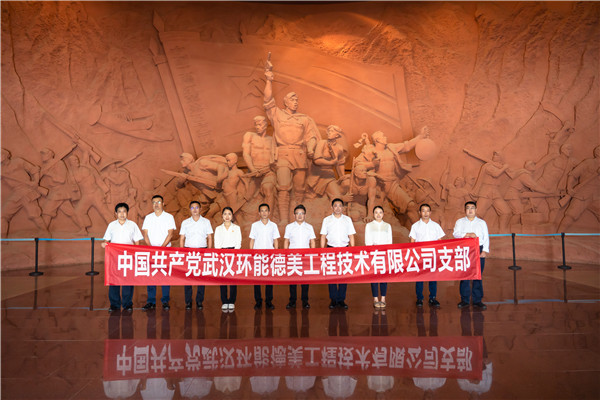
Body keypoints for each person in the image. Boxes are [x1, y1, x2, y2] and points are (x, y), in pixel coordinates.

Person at [102, 202, 143, 312]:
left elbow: (137, 241)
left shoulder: (133, 225)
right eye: (119, 211)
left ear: (127, 213)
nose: (122, 214)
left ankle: (127, 304)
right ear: (116, 213)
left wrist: (136, 254)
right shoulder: (111, 225)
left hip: (128, 257)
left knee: (128, 281)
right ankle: (114, 304)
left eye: (124, 211)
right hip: (114, 257)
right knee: (114, 280)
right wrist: (104, 244)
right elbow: (106, 240)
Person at [141, 194, 176, 310]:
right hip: (151, 251)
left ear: (163, 203)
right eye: (154, 202)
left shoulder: (169, 217)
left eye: (159, 202)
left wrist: (162, 248)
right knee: (151, 276)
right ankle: (151, 301)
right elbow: (145, 234)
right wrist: (151, 248)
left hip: (165, 251)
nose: (156, 204)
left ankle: (165, 301)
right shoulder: (148, 218)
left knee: (165, 276)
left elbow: (170, 234)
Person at [320, 198, 356, 310]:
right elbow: (323, 236)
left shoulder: (347, 220)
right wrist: (322, 251)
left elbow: (351, 236)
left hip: (345, 250)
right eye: (335, 205)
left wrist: (352, 250)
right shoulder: (326, 220)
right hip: (331, 250)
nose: (338, 208)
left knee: (343, 275)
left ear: (343, 207)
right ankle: (333, 299)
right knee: (332, 276)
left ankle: (341, 299)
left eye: (340, 205)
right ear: (332, 207)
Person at [453, 201, 490, 310]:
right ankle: (464, 300)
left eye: (472, 208)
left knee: (477, 275)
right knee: (465, 275)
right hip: (464, 250)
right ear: (465, 210)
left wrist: (485, 251)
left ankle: (477, 300)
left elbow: (486, 237)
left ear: (476, 210)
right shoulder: (460, 222)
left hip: (478, 249)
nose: (470, 210)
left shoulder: (482, 223)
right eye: (468, 208)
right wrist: (468, 234)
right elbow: (455, 234)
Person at [409, 203, 445, 308]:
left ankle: (432, 297)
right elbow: (412, 241)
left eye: (427, 211)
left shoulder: (436, 226)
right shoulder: (415, 226)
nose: (425, 213)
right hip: (420, 255)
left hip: (433, 255)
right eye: (423, 211)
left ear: (430, 212)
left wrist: (440, 254)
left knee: (433, 277)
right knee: (419, 278)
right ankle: (419, 298)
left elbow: (440, 240)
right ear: (419, 212)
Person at [179, 200, 213, 310]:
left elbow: (210, 237)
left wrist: (209, 252)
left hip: (202, 251)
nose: (195, 210)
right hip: (188, 252)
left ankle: (199, 301)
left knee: (201, 277)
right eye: (192, 208)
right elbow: (182, 238)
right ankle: (188, 301)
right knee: (188, 277)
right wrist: (182, 252)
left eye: (197, 207)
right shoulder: (185, 222)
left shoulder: (206, 222)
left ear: (200, 209)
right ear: (190, 209)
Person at [283, 204, 316, 309]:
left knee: (305, 281)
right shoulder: (289, 227)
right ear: (294, 215)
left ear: (305, 215)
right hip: (293, 257)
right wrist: (286, 255)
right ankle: (292, 301)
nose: (300, 215)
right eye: (297, 213)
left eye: (302, 213)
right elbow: (286, 241)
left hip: (305, 257)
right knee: (293, 280)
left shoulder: (309, 227)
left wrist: (312, 255)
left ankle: (305, 301)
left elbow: (312, 242)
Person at [249, 203, 280, 310]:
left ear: (269, 212)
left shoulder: (273, 225)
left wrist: (276, 254)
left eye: (266, 210)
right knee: (257, 280)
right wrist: (251, 254)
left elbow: (276, 240)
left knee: (269, 279)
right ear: (259, 213)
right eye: (262, 211)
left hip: (270, 256)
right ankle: (258, 301)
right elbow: (252, 240)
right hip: (257, 256)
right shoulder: (254, 225)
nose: (264, 213)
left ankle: (268, 301)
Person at [214, 206, 242, 311]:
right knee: (223, 279)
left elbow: (238, 243)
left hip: (233, 254)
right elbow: (217, 243)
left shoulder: (237, 228)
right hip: (222, 255)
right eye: (225, 214)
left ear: (232, 216)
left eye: (229, 214)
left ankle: (232, 301)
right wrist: (220, 254)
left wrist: (234, 254)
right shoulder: (218, 229)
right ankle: (224, 301)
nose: (227, 216)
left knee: (233, 279)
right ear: (222, 216)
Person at [364, 205, 392, 309]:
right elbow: (367, 241)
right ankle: (375, 298)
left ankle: (383, 298)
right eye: (376, 212)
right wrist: (372, 251)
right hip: (373, 253)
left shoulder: (387, 226)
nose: (378, 214)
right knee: (374, 276)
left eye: (380, 212)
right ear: (373, 214)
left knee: (384, 276)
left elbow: (389, 241)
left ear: (383, 214)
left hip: (384, 253)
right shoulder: (369, 226)